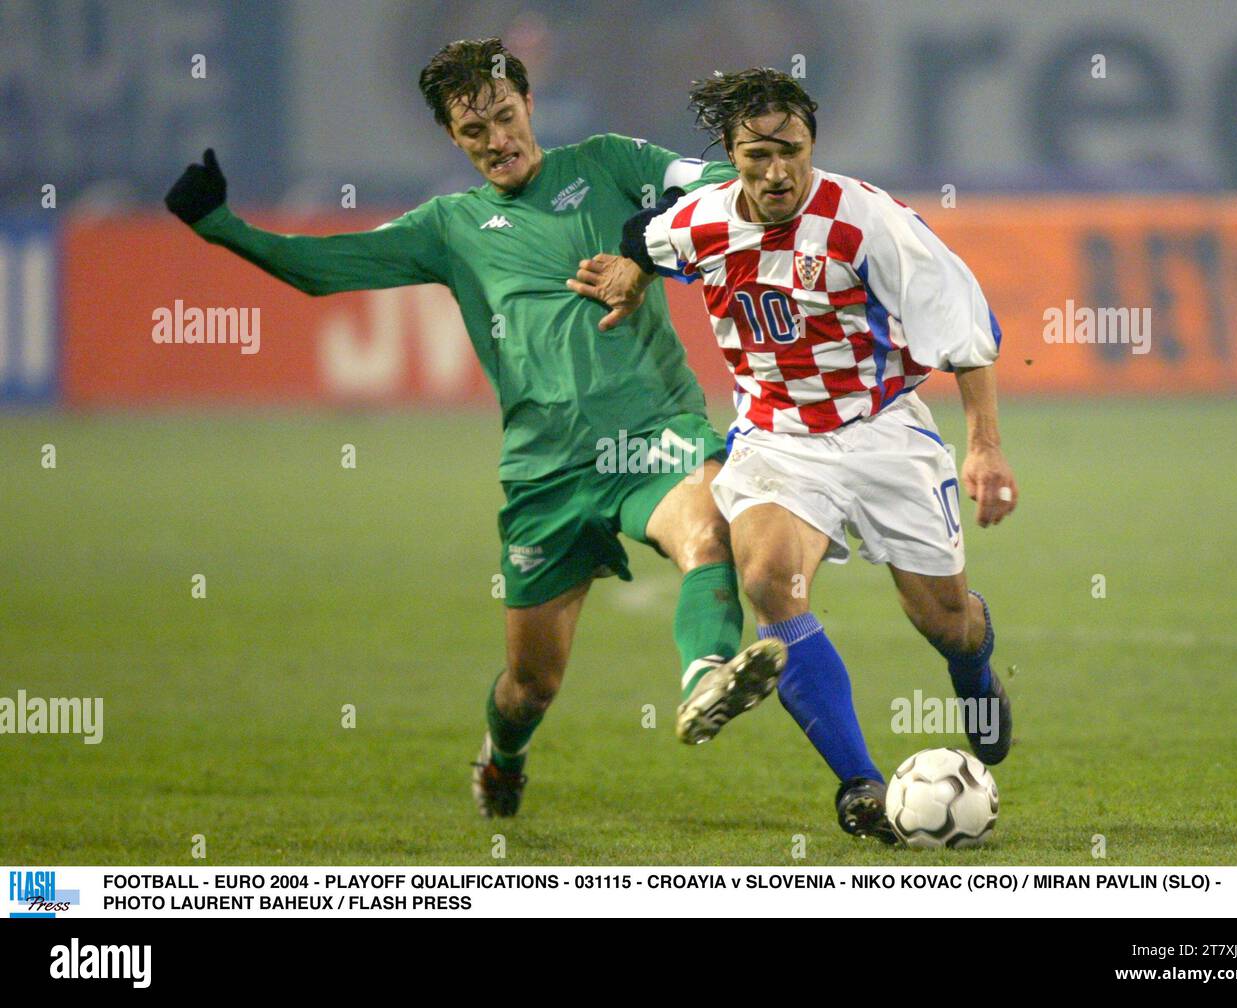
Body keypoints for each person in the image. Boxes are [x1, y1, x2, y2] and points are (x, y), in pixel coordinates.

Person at [163, 39, 786, 820]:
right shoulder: (449, 227)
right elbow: (322, 268)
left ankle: (706, 680)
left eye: (503, 116)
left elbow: (731, 179)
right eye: (473, 131)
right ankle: (504, 757)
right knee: (531, 687)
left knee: (710, 532)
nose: (496, 141)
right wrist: (220, 224)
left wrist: (645, 254)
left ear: (529, 104)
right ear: (453, 141)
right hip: (546, 473)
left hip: (654, 435)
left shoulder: (611, 162)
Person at [568, 68, 1017, 843]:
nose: (776, 172)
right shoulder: (699, 220)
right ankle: (860, 786)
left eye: (792, 151)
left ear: (812, 144)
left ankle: (973, 669)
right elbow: (645, 234)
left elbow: (963, 325)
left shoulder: (864, 220)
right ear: (731, 155)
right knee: (768, 580)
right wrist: (632, 271)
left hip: (881, 431)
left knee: (943, 619)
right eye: (755, 156)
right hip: (777, 439)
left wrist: (983, 446)